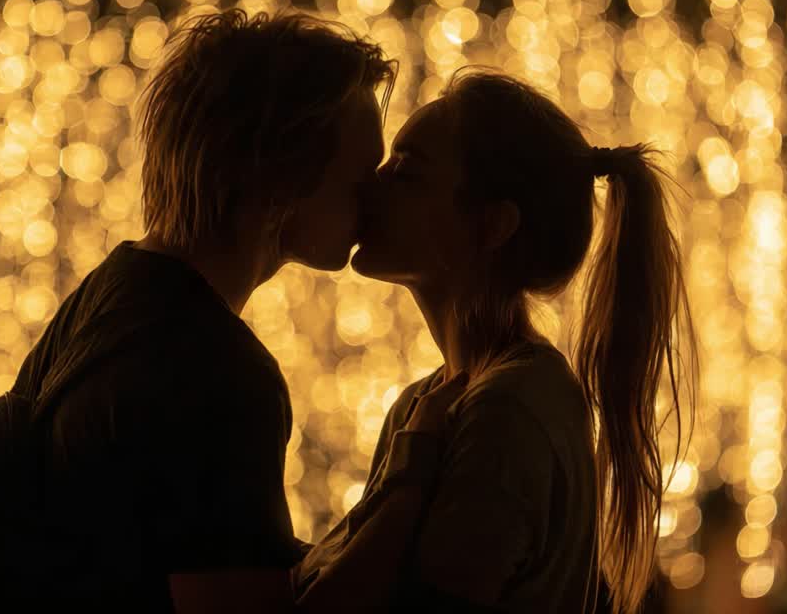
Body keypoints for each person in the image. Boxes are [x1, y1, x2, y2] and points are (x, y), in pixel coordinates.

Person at [0, 8, 408, 612]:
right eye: (358, 178)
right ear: (279, 180)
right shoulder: (217, 372)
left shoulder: (110, 296)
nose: (377, 200)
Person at [295, 69, 697, 614]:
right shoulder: (428, 403)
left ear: (492, 226)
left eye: (407, 172)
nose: (372, 184)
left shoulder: (509, 410)